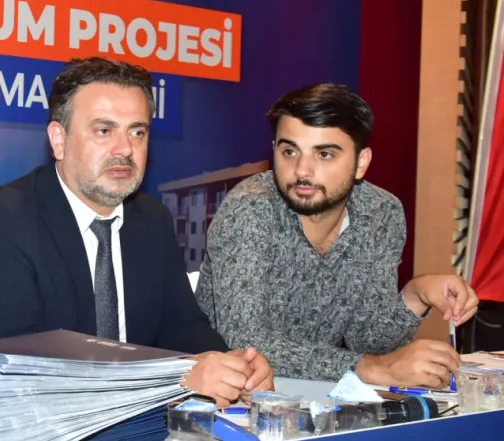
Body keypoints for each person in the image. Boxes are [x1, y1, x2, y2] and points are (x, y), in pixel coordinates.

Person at [0, 58, 273, 407]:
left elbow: (181, 325)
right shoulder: (1, 220)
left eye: (137, 132)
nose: (125, 150)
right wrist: (176, 376)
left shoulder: (152, 220)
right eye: (104, 131)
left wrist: (232, 367)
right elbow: (25, 364)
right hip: (24, 422)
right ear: (59, 140)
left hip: (138, 423)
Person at [196, 83, 479, 386]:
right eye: (289, 151)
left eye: (325, 154)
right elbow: (246, 341)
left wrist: (415, 295)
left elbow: (366, 340)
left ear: (361, 163)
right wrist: (373, 368)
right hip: (225, 393)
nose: (302, 170)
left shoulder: (380, 212)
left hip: (319, 391)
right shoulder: (250, 208)